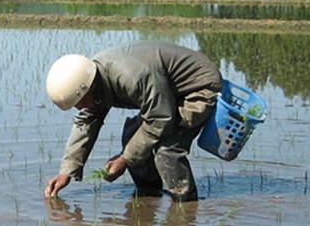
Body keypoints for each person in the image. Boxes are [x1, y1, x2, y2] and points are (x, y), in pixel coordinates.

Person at [43, 41, 222, 202]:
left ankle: (185, 204)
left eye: (78, 102)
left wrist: (125, 159)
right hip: (167, 93)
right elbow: (86, 122)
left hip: (199, 87)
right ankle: (150, 194)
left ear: (88, 88)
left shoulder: (130, 77)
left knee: (167, 149)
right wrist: (66, 171)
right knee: (131, 136)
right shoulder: (93, 80)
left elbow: (160, 119)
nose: (78, 108)